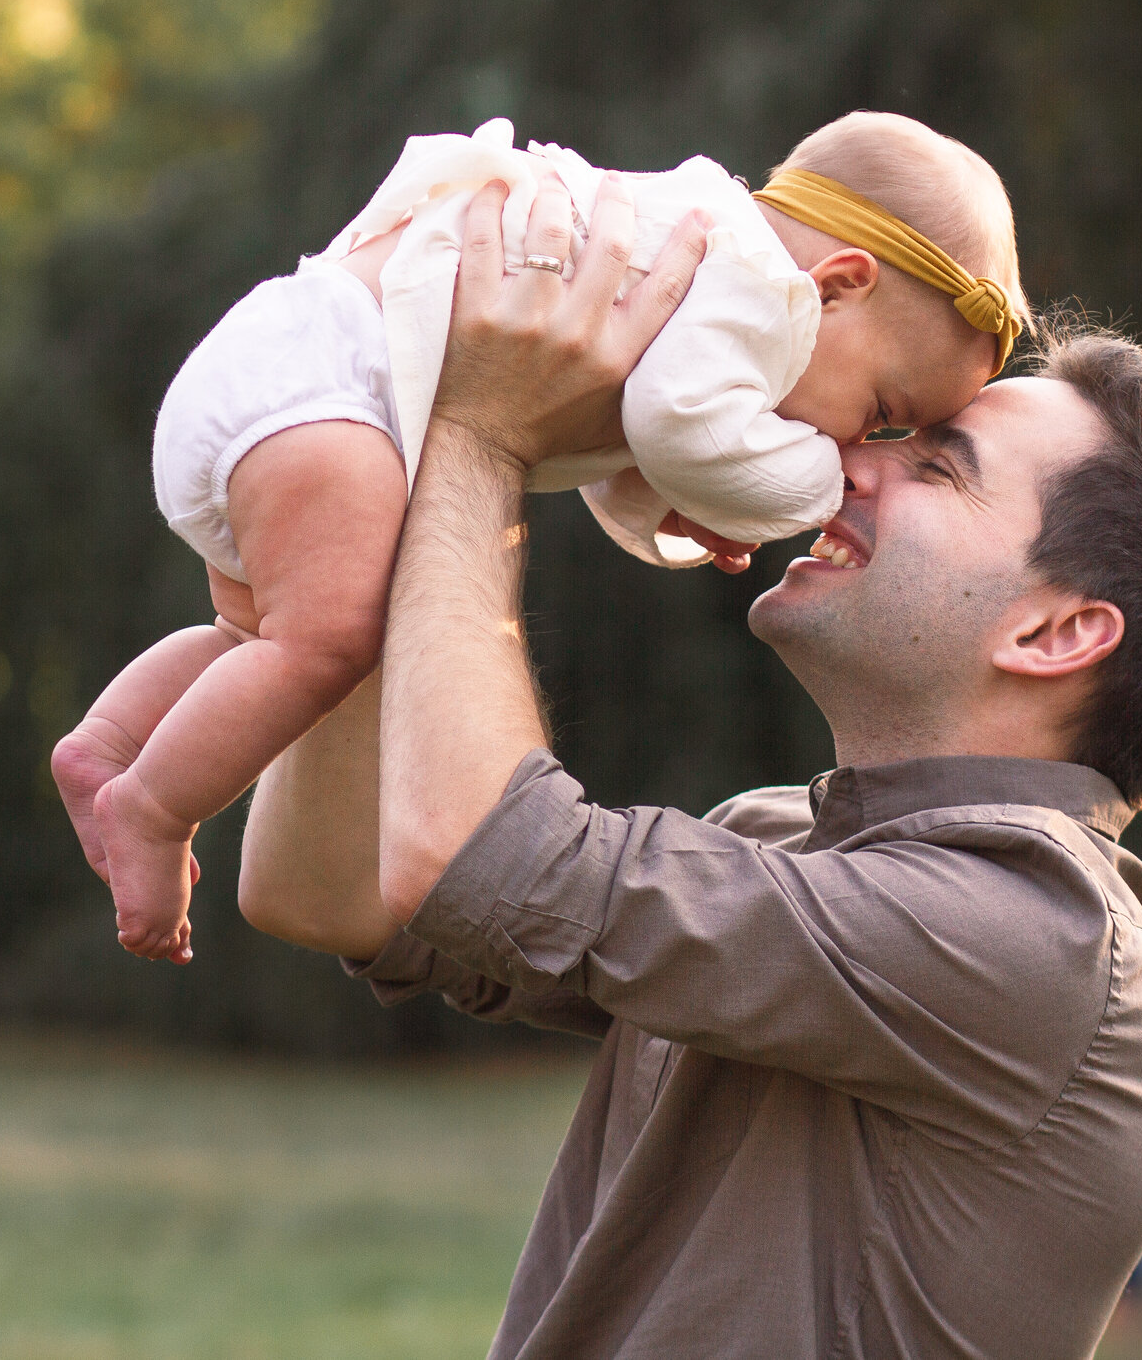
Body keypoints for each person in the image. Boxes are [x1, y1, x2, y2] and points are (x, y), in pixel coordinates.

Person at [224, 175, 1142, 1359]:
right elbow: (323, 888)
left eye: (935, 463)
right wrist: (382, 454)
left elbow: (472, 851)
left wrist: (485, 430)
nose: (848, 459)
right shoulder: (774, 838)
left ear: (1054, 633)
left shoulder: (1043, 945)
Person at [53, 112, 1030, 964]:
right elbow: (681, 429)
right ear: (837, 284)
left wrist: (667, 505)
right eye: (884, 410)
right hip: (335, 387)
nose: (860, 447)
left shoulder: (692, 259)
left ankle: (106, 744)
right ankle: (153, 807)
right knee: (326, 643)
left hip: (294, 372)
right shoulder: (754, 291)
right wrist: (802, 490)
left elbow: (612, 454)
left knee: (257, 641)